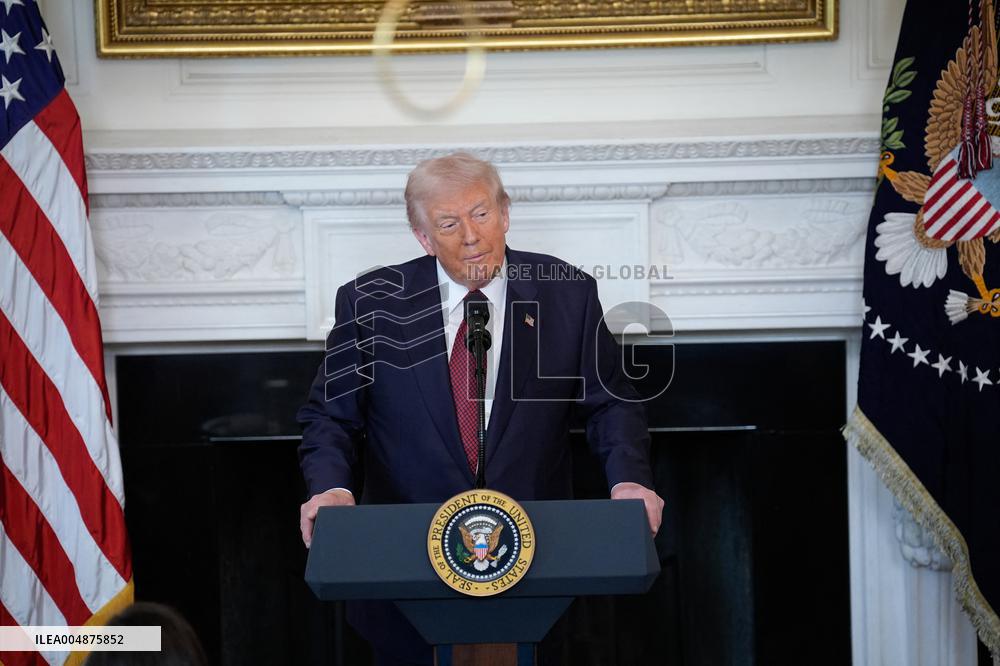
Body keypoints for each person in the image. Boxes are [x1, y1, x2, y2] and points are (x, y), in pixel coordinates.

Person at [297, 152, 663, 665]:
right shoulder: (370, 302)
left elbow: (610, 405)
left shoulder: (567, 292)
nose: (471, 236)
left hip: (540, 561)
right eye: (449, 224)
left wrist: (628, 480)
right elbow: (330, 417)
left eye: (482, 214)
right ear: (424, 237)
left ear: (505, 213)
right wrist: (331, 488)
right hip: (405, 565)